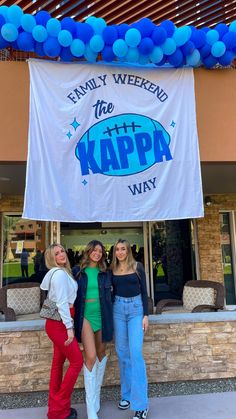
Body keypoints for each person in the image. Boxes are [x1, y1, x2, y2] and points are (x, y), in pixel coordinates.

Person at [40, 244, 83, 419]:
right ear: (51, 258)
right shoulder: (58, 274)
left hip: (57, 323)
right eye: (56, 253)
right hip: (60, 324)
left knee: (58, 364)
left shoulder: (62, 272)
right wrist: (70, 329)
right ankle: (59, 407)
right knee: (76, 362)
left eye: (62, 251)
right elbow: (62, 304)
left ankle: (55, 409)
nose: (61, 255)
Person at [73, 240, 113, 419]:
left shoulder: (105, 273)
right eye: (94, 250)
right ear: (88, 251)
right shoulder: (78, 272)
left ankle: (96, 396)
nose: (97, 253)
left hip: (102, 315)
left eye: (100, 251)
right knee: (89, 356)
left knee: (101, 354)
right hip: (86, 316)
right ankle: (90, 408)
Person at [111, 239, 149, 419]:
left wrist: (146, 315)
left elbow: (145, 292)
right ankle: (126, 395)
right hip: (118, 310)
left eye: (123, 249)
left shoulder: (137, 266)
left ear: (128, 250)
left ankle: (141, 405)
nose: (120, 252)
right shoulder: (112, 269)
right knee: (122, 352)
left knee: (135, 354)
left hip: (136, 310)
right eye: (117, 249)